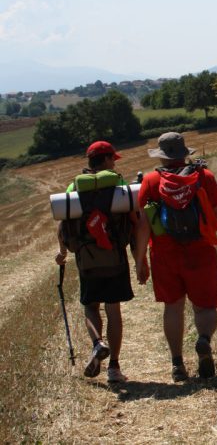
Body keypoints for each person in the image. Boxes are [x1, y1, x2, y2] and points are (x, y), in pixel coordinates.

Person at [134, 132, 217, 382]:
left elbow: (143, 225)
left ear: (162, 156)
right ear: (185, 153)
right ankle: (204, 340)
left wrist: (140, 260)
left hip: (165, 253)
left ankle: (177, 364)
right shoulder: (204, 177)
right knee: (205, 306)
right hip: (201, 249)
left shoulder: (151, 182)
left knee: (173, 307)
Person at [55, 141, 135, 383]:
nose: (114, 163)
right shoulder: (118, 184)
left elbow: (63, 225)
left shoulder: (74, 187)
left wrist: (62, 253)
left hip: (87, 259)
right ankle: (114, 367)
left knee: (91, 306)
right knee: (114, 310)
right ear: (106, 159)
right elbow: (133, 218)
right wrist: (139, 257)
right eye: (113, 159)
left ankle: (97, 343)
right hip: (115, 257)